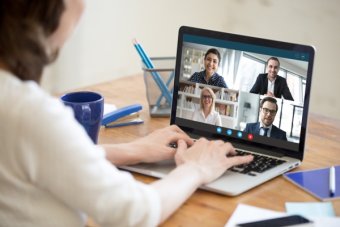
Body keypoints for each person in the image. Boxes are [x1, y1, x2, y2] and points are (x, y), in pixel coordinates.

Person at [0, 1, 253, 226]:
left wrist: (130, 150)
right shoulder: (29, 114)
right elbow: (134, 212)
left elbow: (42, 155)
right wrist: (196, 169)